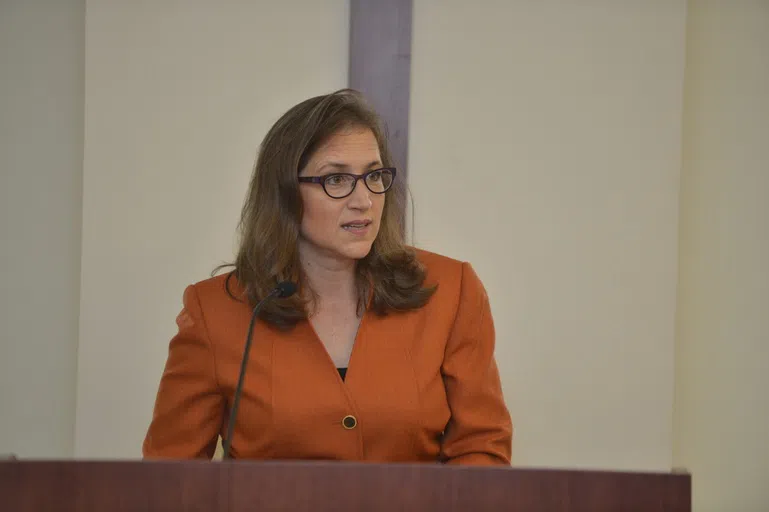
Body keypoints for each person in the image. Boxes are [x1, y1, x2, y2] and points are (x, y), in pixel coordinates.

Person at [142, 89, 513, 465]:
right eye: (336, 180)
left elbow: (481, 450)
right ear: (285, 194)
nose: (364, 200)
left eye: (374, 175)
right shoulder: (216, 312)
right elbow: (170, 480)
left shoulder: (450, 291)